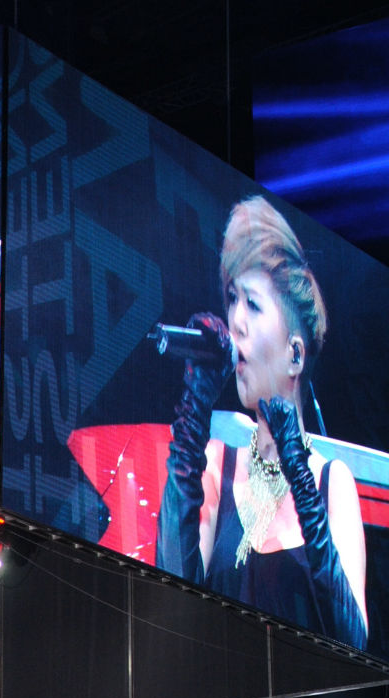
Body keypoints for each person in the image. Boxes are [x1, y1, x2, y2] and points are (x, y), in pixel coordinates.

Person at [155, 195, 367, 650]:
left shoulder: (331, 484)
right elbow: (170, 597)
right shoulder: (216, 465)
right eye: (232, 299)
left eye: (252, 304)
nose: (235, 321)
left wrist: (298, 472)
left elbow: (353, 639)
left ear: (295, 355)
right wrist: (195, 407)